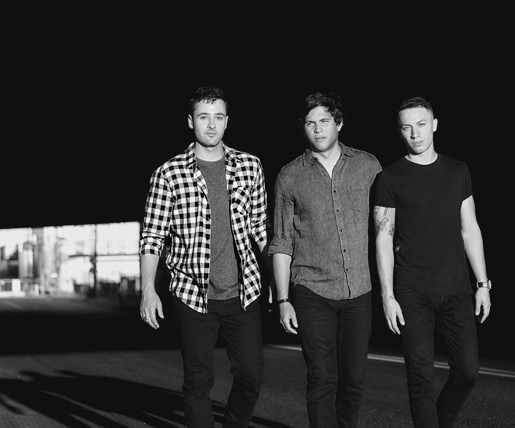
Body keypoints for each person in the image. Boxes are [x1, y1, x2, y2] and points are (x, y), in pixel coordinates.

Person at [139, 86, 269, 428]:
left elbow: (260, 228)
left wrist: (278, 280)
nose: (211, 125)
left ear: (227, 121)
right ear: (190, 121)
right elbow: (152, 236)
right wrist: (148, 290)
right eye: (203, 117)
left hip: (244, 291)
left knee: (251, 376)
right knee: (198, 381)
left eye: (218, 117)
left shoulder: (250, 166)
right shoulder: (168, 173)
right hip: (192, 293)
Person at [373, 97, 491, 428]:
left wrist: (483, 283)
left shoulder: (457, 171)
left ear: (435, 125)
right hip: (412, 291)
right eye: (407, 127)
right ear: (400, 131)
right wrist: (387, 296)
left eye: (421, 124)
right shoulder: (390, 178)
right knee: (420, 378)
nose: (415, 133)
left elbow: (470, 229)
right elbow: (383, 238)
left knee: (467, 372)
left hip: (456, 288)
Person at [269, 92, 381, 428]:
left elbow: (386, 229)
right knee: (322, 376)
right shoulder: (290, 176)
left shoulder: (368, 166)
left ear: (339, 123)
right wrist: (283, 300)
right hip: (311, 289)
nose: (318, 129)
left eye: (325, 121)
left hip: (359, 288)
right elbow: (282, 241)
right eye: (310, 123)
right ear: (303, 128)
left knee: (353, 379)